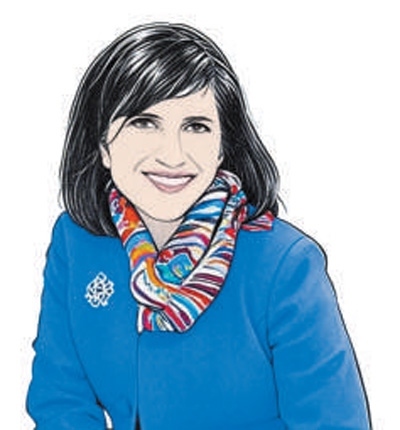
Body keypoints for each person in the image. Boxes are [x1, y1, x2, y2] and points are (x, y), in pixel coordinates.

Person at [27, 22, 371, 429]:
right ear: (103, 144)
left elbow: (335, 422)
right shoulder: (76, 242)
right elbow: (60, 400)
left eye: (196, 127)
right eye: (144, 122)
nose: (172, 155)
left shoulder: (287, 264)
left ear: (223, 146)